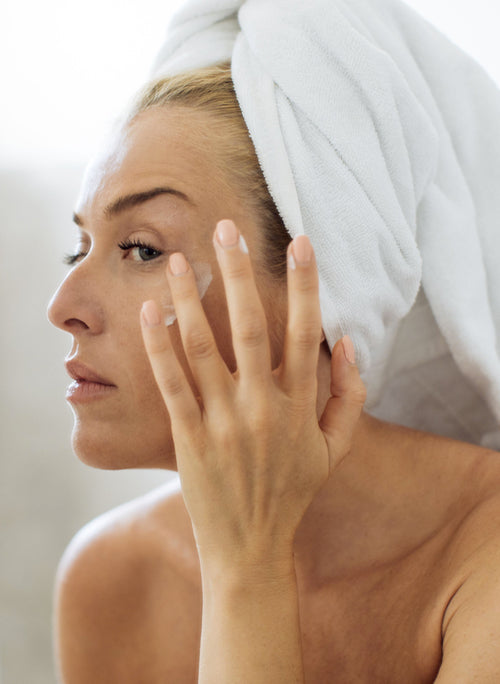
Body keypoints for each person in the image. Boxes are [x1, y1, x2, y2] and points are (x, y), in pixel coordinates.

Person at [49, 3, 500, 681]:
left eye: (140, 249)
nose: (64, 308)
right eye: (78, 250)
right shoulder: (114, 576)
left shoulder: (483, 557)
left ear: (322, 291)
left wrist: (249, 572)